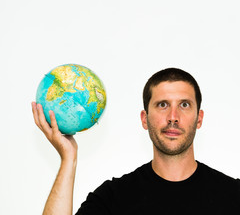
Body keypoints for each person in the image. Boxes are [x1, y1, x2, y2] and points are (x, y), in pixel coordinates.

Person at [32, 68, 240, 215]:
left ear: (199, 119)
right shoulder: (113, 198)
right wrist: (68, 158)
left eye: (184, 104)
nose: (173, 117)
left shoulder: (233, 196)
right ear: (144, 119)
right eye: (162, 105)